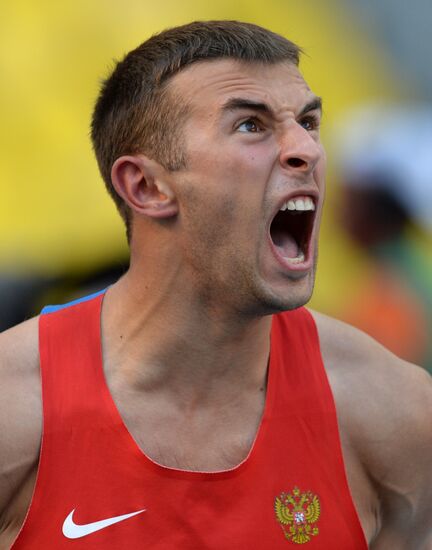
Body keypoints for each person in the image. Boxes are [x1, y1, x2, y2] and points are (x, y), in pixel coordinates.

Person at [0, 20, 431, 549]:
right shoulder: (14, 408)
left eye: (309, 122)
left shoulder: (395, 411)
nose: (308, 151)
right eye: (251, 125)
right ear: (146, 186)